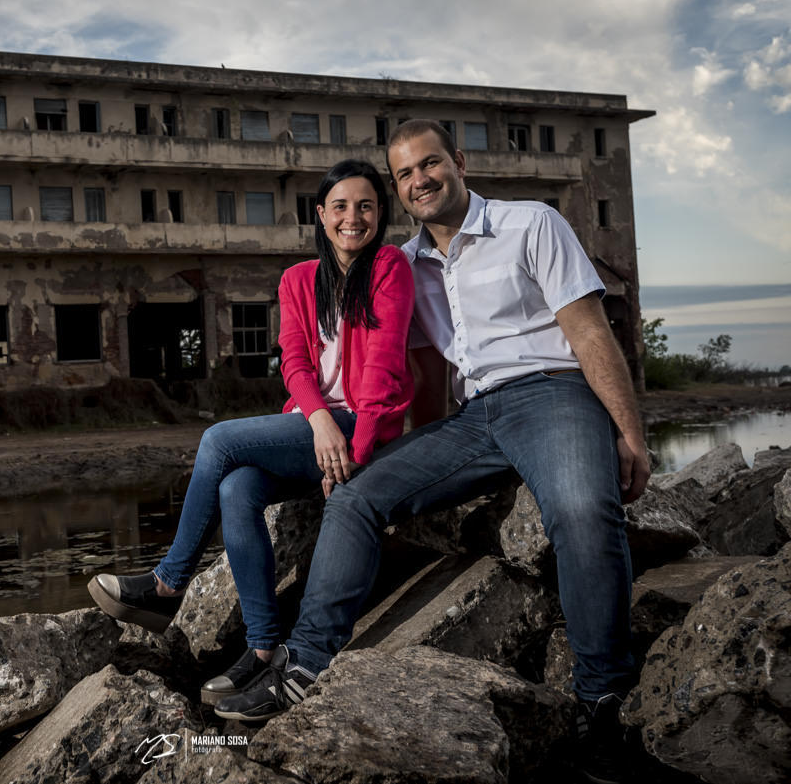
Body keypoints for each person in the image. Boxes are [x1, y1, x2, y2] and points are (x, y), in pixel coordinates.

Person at [214, 121, 649, 784]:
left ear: (460, 162)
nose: (419, 179)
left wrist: (629, 433)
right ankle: (300, 666)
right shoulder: (404, 265)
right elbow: (419, 374)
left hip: (551, 394)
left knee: (584, 512)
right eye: (405, 174)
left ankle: (601, 699)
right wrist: (404, 455)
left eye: (430, 163)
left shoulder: (530, 223)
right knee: (356, 495)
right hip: (472, 416)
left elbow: (589, 330)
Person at [88, 158, 415, 707]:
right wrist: (316, 423)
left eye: (366, 206)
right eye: (340, 206)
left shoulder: (388, 267)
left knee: (218, 440)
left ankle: (169, 583)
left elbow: (382, 375)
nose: (352, 217)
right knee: (235, 487)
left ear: (380, 215)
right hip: (313, 427)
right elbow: (294, 366)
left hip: (362, 427)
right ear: (320, 214)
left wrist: (352, 455)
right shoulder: (296, 280)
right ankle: (265, 651)